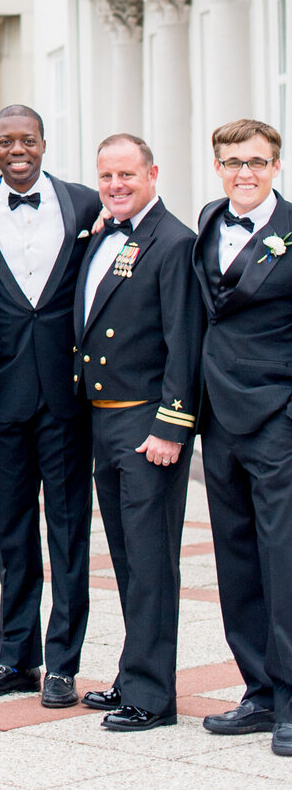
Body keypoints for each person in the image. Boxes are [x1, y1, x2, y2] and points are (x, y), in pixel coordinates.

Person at [0, 105, 100, 708]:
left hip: (69, 394)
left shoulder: (86, 205)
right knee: (13, 531)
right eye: (5, 141)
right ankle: (16, 657)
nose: (17, 150)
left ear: (44, 142)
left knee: (68, 530)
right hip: (4, 393)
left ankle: (63, 663)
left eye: (28, 140)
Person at [74, 133, 201, 732]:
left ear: (153, 172)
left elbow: (184, 341)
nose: (116, 186)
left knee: (151, 562)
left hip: (147, 424)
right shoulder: (103, 236)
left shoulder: (173, 242)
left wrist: (171, 426)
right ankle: (134, 675)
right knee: (126, 558)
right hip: (105, 421)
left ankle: (152, 697)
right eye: (106, 177)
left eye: (127, 175)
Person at [193, 118, 292, 758]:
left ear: (276, 166)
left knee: (284, 560)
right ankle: (258, 690)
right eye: (232, 162)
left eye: (255, 162)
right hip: (217, 421)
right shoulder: (207, 219)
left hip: (277, 417)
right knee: (235, 559)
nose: (244, 173)